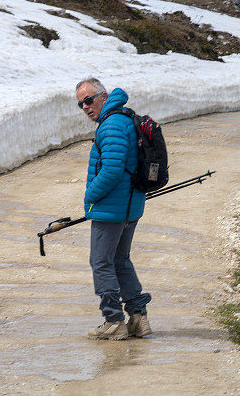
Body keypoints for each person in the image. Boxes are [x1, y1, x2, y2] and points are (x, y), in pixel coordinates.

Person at [76, 77, 152, 340]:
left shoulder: (110, 125)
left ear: (104, 96)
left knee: (101, 262)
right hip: (130, 206)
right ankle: (138, 319)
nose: (85, 107)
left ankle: (113, 320)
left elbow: (111, 170)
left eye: (89, 100)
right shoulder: (123, 118)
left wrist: (90, 196)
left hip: (112, 208)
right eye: (80, 104)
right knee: (120, 260)